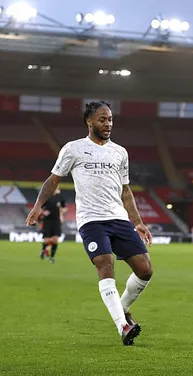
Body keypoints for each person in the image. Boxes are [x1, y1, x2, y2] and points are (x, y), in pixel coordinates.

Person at [26, 101, 154, 346]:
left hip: (118, 218)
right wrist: (38, 205)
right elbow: (53, 180)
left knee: (145, 269)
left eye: (110, 120)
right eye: (102, 119)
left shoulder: (120, 152)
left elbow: (125, 190)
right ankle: (123, 326)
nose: (108, 124)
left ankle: (122, 308)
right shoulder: (73, 149)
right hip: (91, 220)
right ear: (89, 121)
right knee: (105, 264)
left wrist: (137, 221)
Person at [39, 187, 67, 263]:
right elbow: (40, 207)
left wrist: (62, 211)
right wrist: (43, 212)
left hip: (56, 221)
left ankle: (51, 257)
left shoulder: (60, 197)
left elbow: (64, 208)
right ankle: (43, 249)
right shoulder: (47, 197)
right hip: (47, 221)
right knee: (46, 240)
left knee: (55, 240)